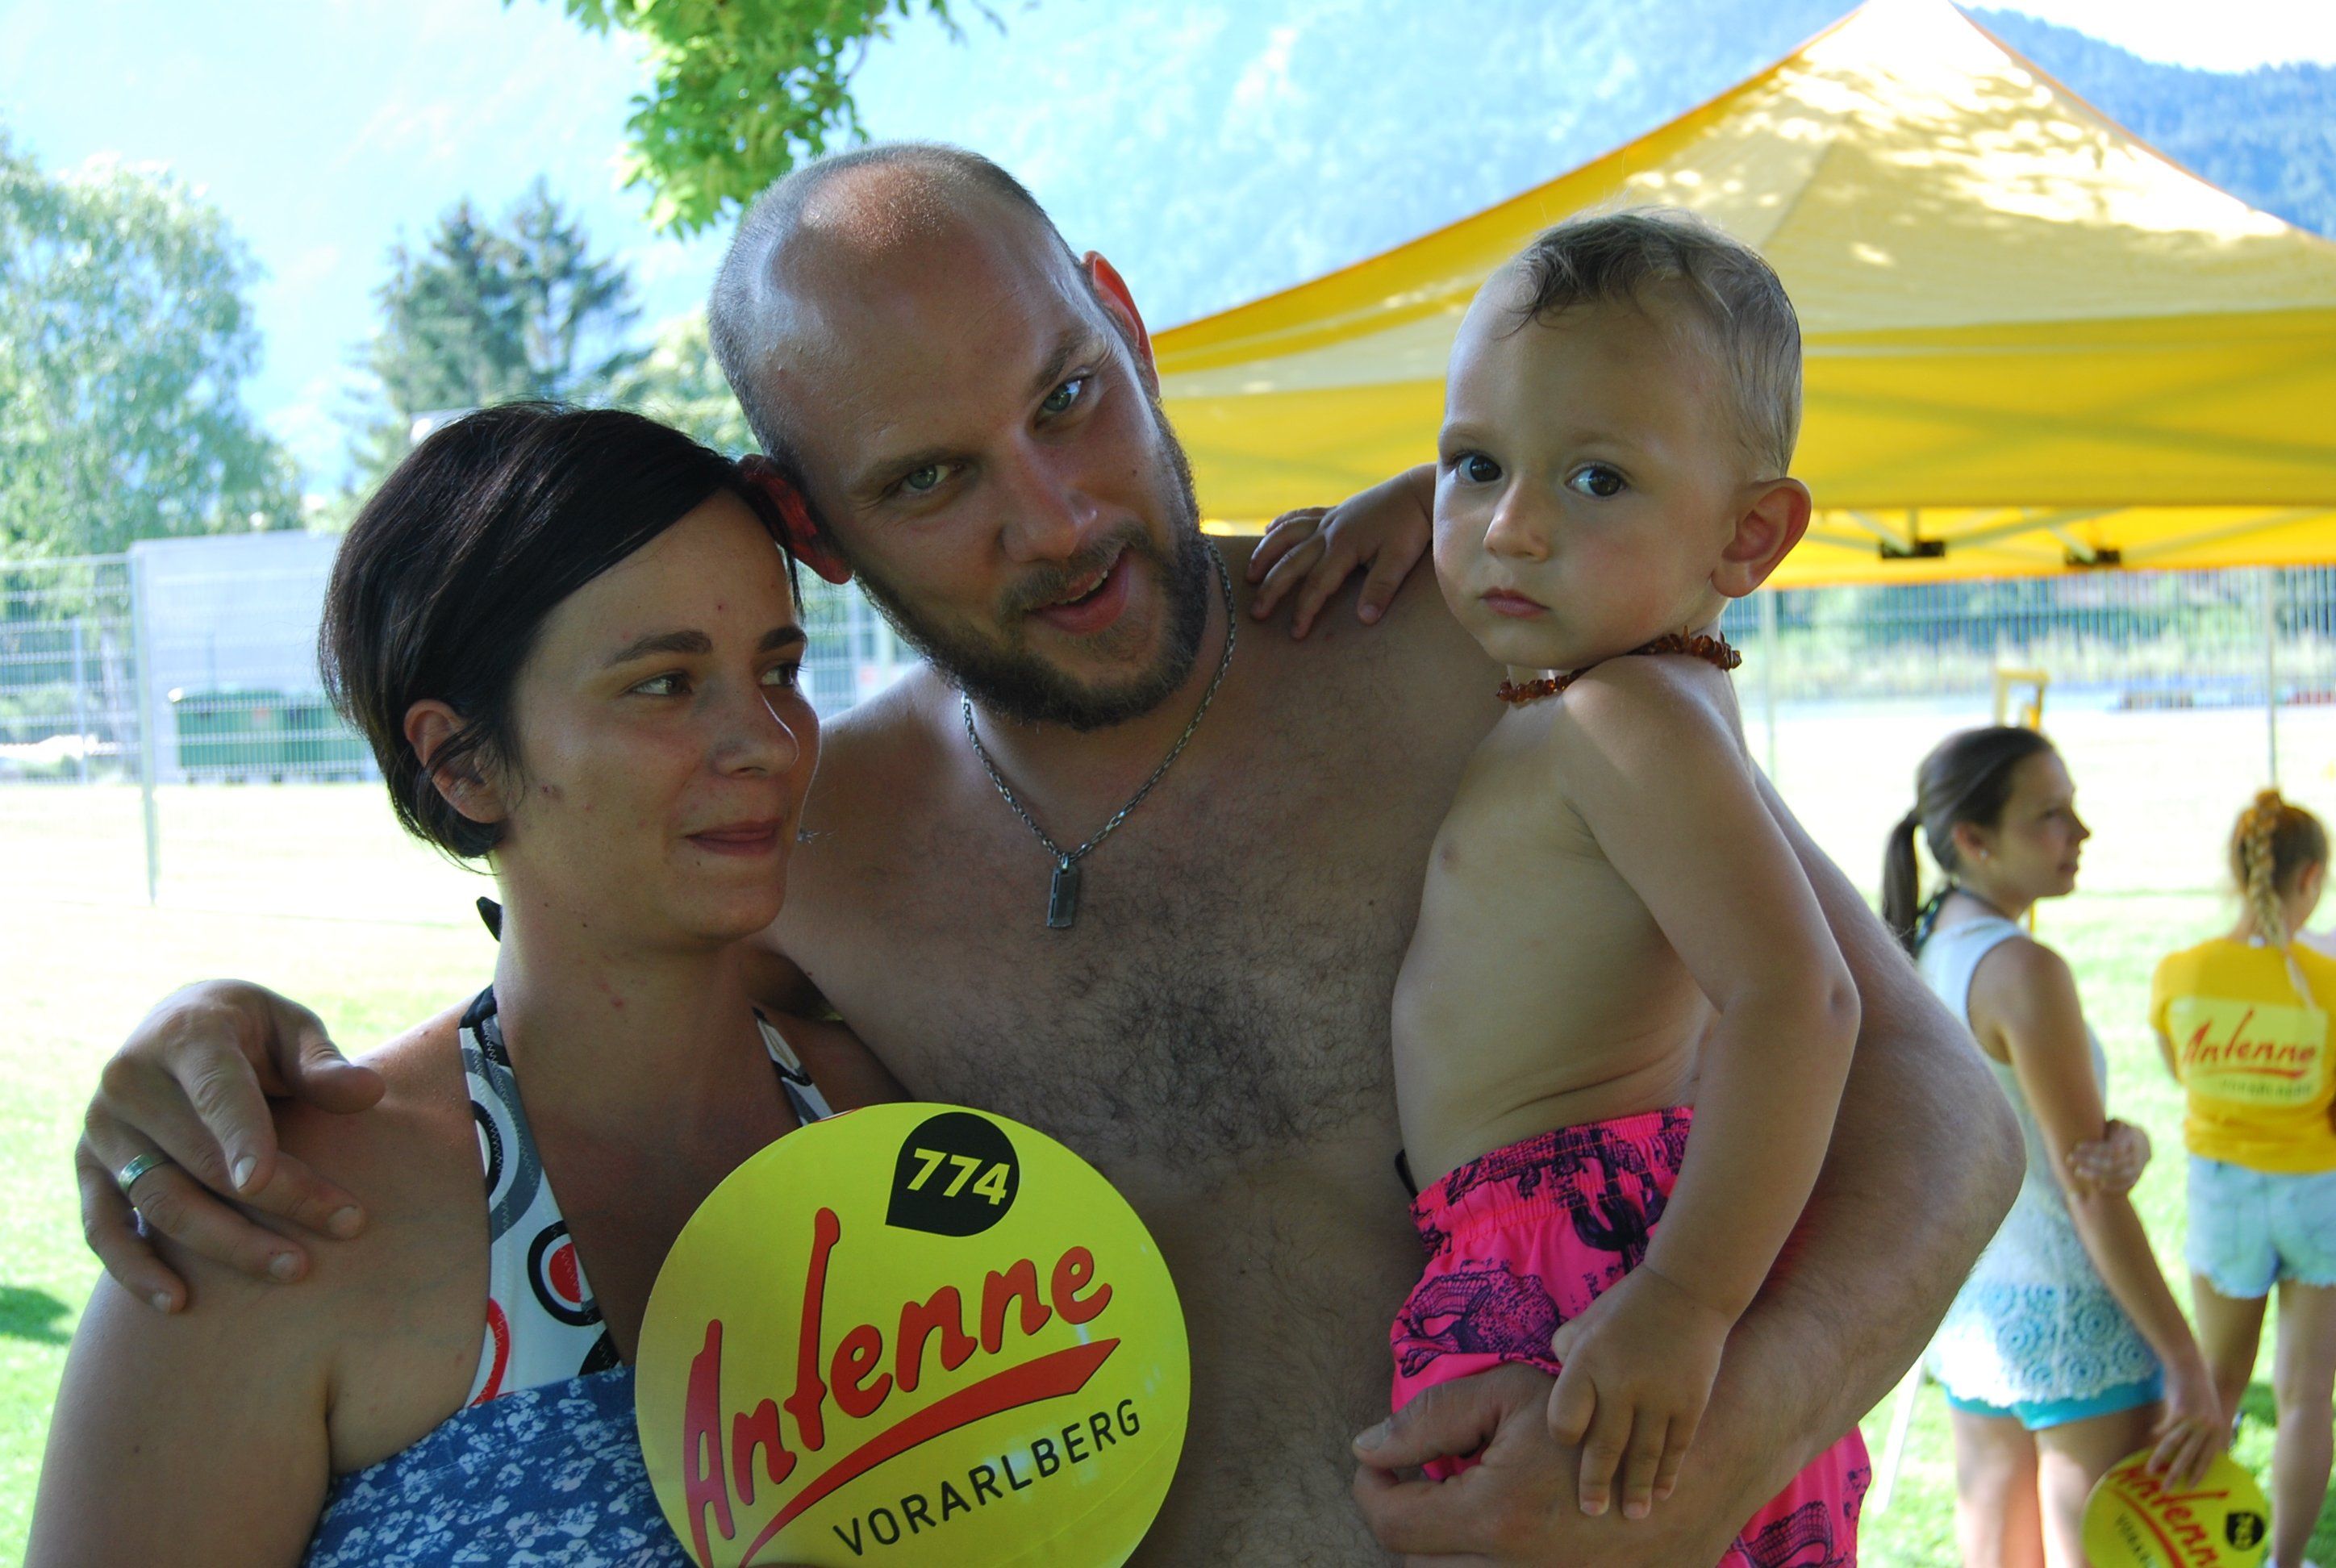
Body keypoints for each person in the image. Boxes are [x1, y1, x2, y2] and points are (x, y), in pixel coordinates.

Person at [70, 144, 2022, 1565]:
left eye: (1067, 398)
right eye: (930, 479)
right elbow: (550, 1020)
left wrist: (1715, 1447)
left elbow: (1938, 1113)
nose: (1057, 514)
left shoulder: (1474, 663)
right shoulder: (813, 848)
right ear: (811, 525)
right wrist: (216, 1039)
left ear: (1123, 316)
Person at [29, 406, 897, 1565]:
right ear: (464, 762)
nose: (771, 741)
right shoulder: (277, 1223)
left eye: (779, 669)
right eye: (664, 683)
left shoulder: (901, 1120)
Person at [1271, 211, 1869, 1560]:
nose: (1514, 527)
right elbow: (1538, 491)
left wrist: (1686, 1301)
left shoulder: (1622, 718)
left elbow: (1800, 1000)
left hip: (1585, 1264)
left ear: (1750, 538)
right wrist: (1425, 501)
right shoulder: (1624, 689)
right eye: (1474, 465)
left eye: (1597, 480)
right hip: (1559, 1245)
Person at [1884, 726, 2225, 1568]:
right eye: (2050, 815)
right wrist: (2187, 1361)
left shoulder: (1922, 949)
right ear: (1974, 840)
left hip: (1978, 1317)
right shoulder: (2021, 969)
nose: (2081, 832)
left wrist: (2122, 1140)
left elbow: (2032, 1141)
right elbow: (2086, 1191)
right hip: (2072, 1319)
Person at [2151, 789, 2336, 1568]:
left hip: (2222, 1195)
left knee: (2217, 1387)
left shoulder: (2181, 973)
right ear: (2311, 879)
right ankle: (2284, 1561)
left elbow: (2179, 1071)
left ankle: (2194, 1553)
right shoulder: (2327, 979)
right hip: (2317, 1194)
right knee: (2306, 1397)